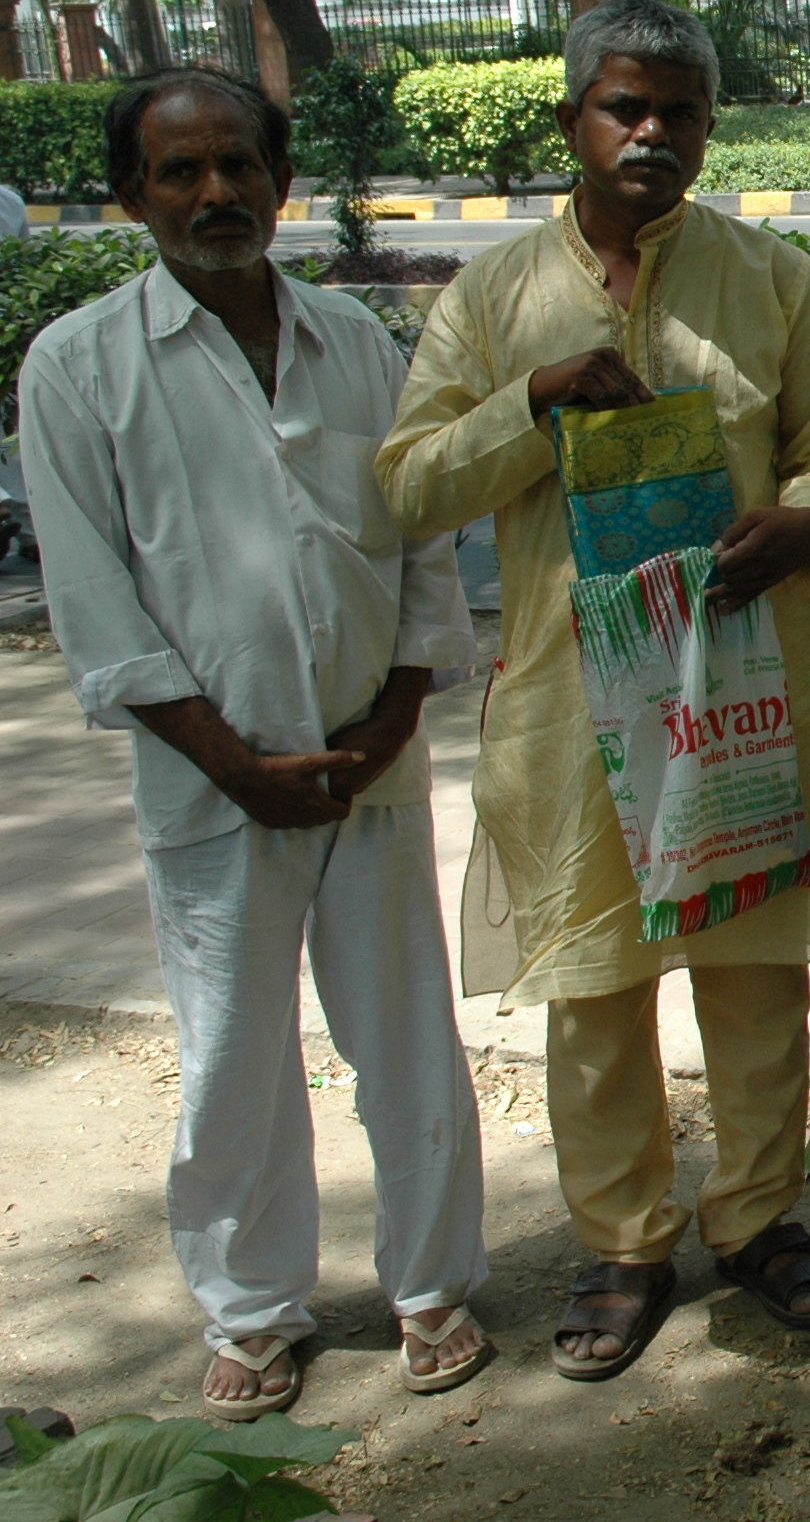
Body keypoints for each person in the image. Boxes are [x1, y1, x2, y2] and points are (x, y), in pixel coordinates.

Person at [380, 0, 810, 1379]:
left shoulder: (775, 279)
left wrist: (809, 523)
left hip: (739, 679)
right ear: (572, 122)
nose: (652, 134)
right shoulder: (492, 298)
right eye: (624, 109)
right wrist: (527, 405)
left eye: (680, 112)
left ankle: (761, 1218)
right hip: (570, 696)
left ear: (712, 127)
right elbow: (407, 489)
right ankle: (623, 1244)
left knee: (756, 976)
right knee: (594, 984)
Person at [20, 69, 488, 1418]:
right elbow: (95, 598)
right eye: (181, 172)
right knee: (231, 1048)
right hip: (208, 776)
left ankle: (433, 1287)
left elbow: (417, 552)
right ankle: (251, 1309)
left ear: (281, 183)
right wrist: (230, 759)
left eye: (238, 166)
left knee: (404, 1032)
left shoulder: (356, 345)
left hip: (370, 759)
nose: (214, 193)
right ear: (132, 197)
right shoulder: (82, 364)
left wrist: (392, 718)